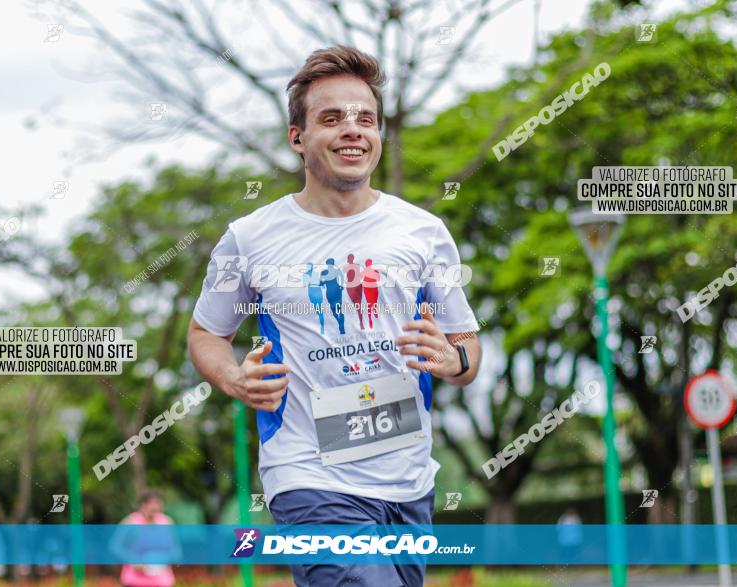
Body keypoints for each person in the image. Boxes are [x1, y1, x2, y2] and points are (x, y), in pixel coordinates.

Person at [187, 45, 481, 587]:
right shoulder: (249, 239)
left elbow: (466, 348)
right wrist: (233, 377)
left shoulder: (423, 232)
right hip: (306, 470)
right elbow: (207, 331)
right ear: (297, 136)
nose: (352, 130)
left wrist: (453, 358)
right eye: (331, 118)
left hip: (408, 477)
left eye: (364, 118)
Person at [111, 491, 179, 587]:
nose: (155, 512)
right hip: (135, 581)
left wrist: (168, 558)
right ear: (142, 506)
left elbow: (175, 550)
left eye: (158, 508)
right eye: (152, 507)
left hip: (162, 581)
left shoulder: (167, 522)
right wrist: (133, 560)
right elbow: (115, 546)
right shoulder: (131, 522)